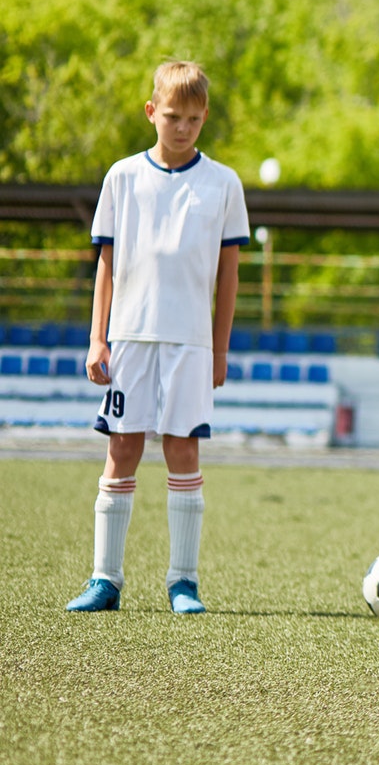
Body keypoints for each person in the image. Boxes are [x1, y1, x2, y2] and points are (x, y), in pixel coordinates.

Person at [67, 61, 249, 614]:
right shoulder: (122, 177)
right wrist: (98, 339)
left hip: (190, 343)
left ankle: (183, 582)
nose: (183, 127)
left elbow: (230, 272)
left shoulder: (223, 183)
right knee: (122, 447)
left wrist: (219, 347)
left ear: (205, 118)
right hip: (130, 337)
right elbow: (107, 263)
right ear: (152, 112)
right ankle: (106, 580)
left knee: (183, 448)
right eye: (173, 116)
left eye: (194, 119)